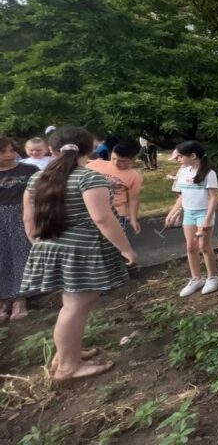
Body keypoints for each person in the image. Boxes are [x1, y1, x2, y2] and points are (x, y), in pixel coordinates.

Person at [20, 127, 137, 380]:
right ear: (91, 149)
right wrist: (125, 248)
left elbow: (29, 223)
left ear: (51, 150)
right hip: (82, 251)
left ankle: (67, 353)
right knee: (75, 307)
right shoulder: (89, 178)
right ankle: (67, 367)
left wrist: (42, 249)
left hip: (49, 247)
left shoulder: (36, 179)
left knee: (73, 305)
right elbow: (103, 219)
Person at [166, 141, 218, 297]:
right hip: (189, 213)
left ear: (193, 156)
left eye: (181, 156)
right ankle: (196, 278)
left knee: (204, 246)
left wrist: (206, 220)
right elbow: (182, 196)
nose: (179, 159)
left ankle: (212, 277)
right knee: (190, 247)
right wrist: (172, 213)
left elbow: (213, 198)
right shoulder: (183, 172)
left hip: (204, 213)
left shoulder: (209, 174)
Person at [1, 136, 36, 323]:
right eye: (3, 151)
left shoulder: (29, 170)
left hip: (24, 216)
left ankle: (20, 299)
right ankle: (4, 301)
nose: (9, 154)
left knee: (22, 254)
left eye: (12, 150)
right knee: (2, 257)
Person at [87, 141, 144, 234]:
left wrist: (133, 219)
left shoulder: (134, 176)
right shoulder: (96, 165)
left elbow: (133, 200)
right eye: (113, 158)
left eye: (122, 161)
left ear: (132, 159)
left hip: (117, 214)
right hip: (92, 212)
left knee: (114, 242)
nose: (116, 163)